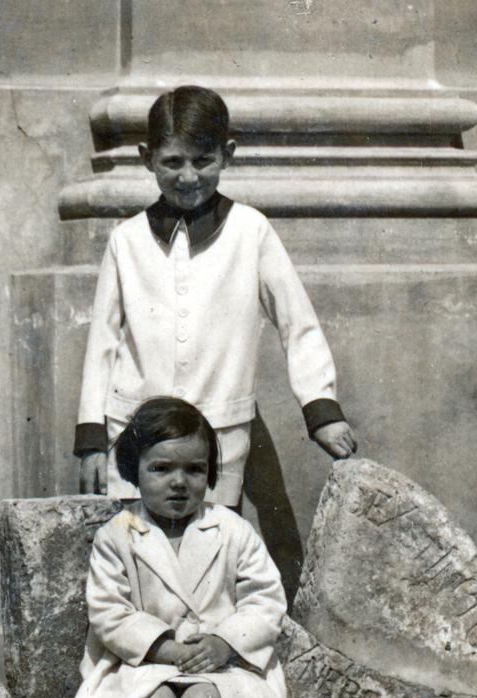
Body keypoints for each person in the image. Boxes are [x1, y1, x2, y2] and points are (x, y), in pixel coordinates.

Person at [75, 85, 357, 509]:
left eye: (203, 160)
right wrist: (92, 440)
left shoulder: (251, 231)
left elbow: (298, 324)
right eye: (173, 162)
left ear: (227, 155)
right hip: (134, 432)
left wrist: (322, 410)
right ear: (147, 158)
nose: (188, 177)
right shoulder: (126, 240)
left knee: (212, 540)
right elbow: (102, 343)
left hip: (220, 431)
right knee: (135, 540)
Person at [59, 398, 290, 698]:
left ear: (211, 475)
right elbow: (109, 611)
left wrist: (225, 642)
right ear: (133, 471)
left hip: (221, 666)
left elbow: (266, 600)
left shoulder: (232, 530)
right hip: (145, 663)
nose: (179, 483)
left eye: (194, 470)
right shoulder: (119, 535)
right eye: (161, 469)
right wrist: (161, 647)